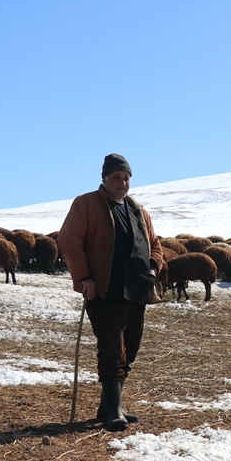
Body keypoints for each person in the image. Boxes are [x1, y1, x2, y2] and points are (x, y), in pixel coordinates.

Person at [59, 154, 164, 431]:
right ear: (105, 178)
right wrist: (85, 278)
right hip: (105, 290)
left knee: (130, 349)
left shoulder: (138, 210)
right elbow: (69, 241)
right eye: (117, 177)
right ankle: (113, 410)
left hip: (137, 291)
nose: (123, 182)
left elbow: (155, 244)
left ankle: (108, 405)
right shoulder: (87, 204)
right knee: (112, 349)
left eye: (126, 177)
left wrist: (153, 269)